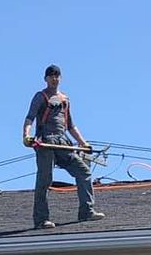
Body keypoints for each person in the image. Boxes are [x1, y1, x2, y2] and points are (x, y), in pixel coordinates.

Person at [23, 66, 103, 229]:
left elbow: (71, 126)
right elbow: (30, 118)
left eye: (57, 76)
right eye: (51, 76)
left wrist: (83, 143)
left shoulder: (65, 99)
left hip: (63, 142)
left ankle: (86, 211)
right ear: (45, 79)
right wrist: (26, 135)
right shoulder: (41, 97)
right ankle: (41, 220)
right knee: (45, 180)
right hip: (46, 141)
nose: (54, 78)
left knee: (83, 172)